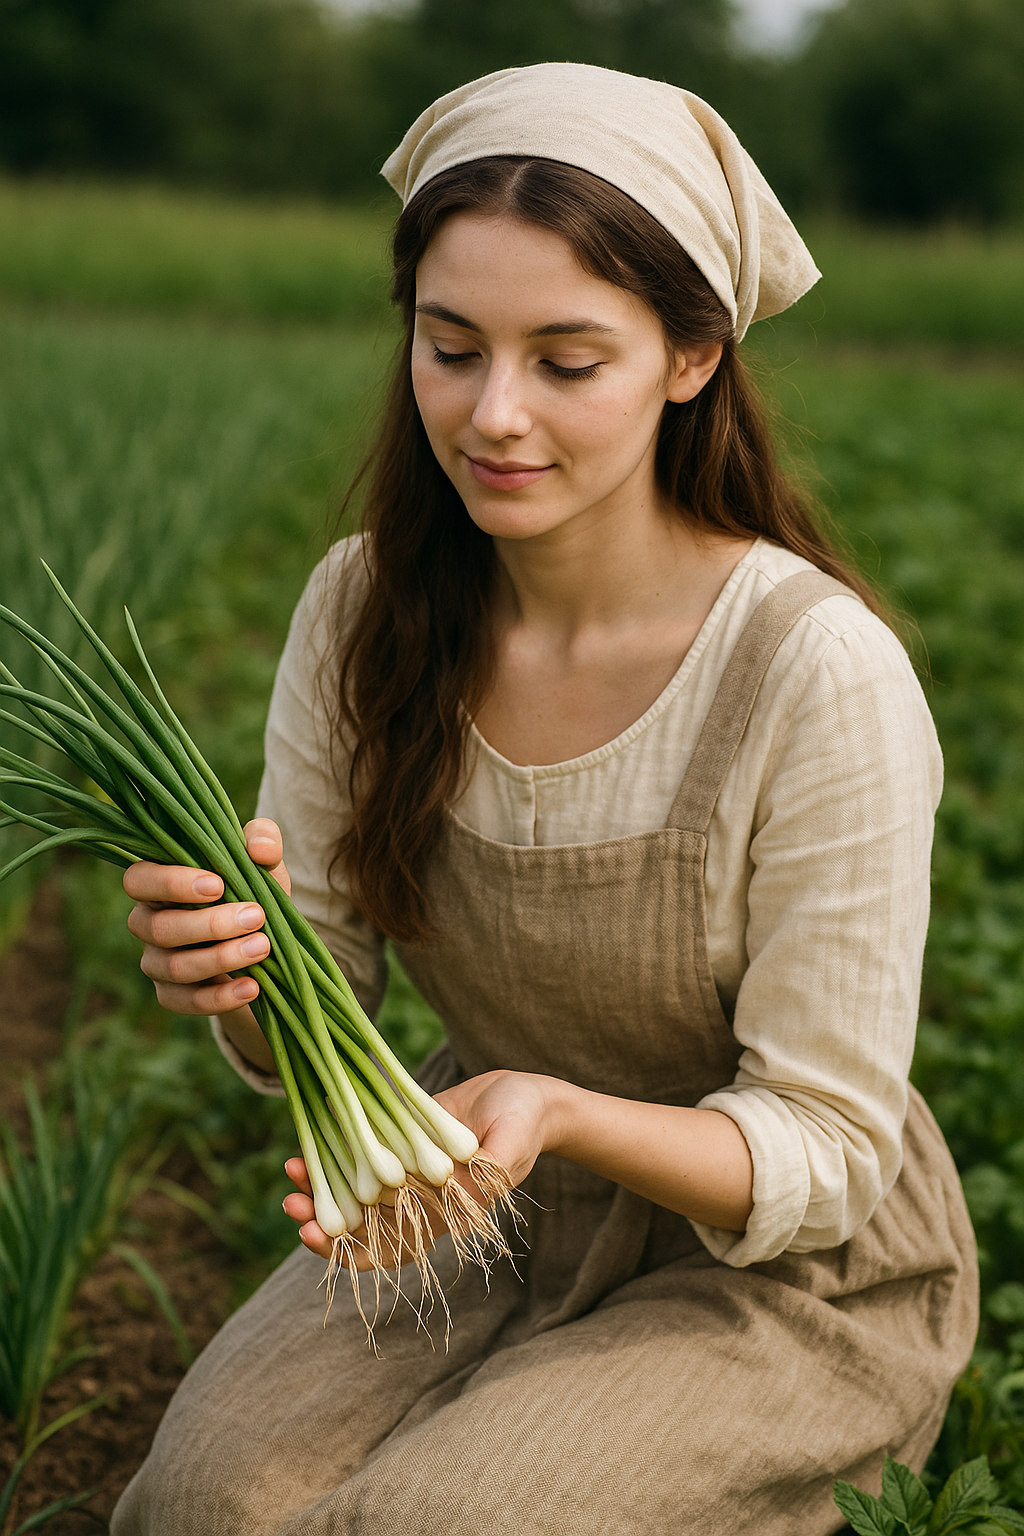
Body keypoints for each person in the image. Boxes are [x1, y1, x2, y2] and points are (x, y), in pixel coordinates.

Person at [111, 62, 977, 1536]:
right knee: (203, 1505)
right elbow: (321, 998)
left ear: (691, 357)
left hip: (771, 1269)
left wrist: (562, 1110)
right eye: (450, 348)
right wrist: (233, 978)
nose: (492, 416)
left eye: (567, 363)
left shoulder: (813, 670)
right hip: (472, 1199)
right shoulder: (364, 609)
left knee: (436, 1523)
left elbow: (830, 1151)